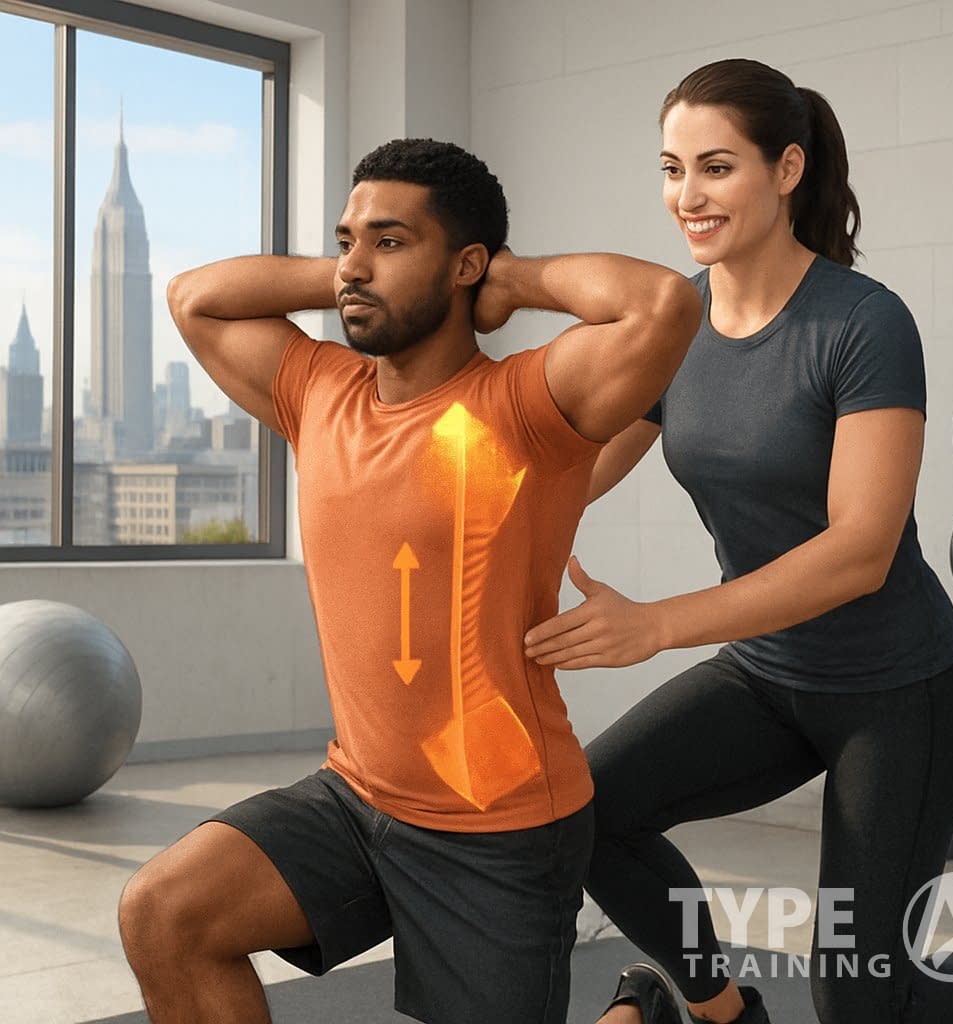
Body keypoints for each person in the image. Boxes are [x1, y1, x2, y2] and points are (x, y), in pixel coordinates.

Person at [115, 138, 701, 1024]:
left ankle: (638, 1014)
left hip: (499, 830)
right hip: (357, 797)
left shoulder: (525, 408)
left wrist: (515, 280)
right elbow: (194, 297)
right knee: (164, 913)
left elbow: (660, 304)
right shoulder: (318, 392)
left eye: (390, 242)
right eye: (348, 239)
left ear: (466, 264)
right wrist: (351, 273)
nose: (355, 264)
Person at [522, 59, 953, 1024]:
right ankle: (717, 1008)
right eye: (671, 169)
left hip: (898, 693)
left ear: (786, 169)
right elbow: (571, 472)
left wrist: (656, 625)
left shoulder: (862, 322)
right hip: (766, 677)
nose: (687, 196)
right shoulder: (675, 319)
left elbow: (858, 550)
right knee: (585, 815)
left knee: (859, 999)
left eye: (715, 168)